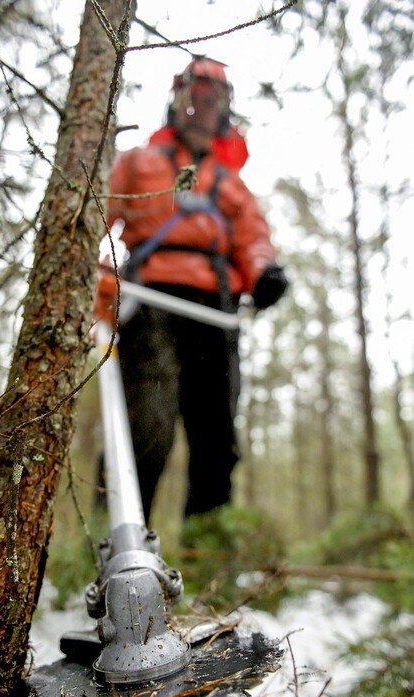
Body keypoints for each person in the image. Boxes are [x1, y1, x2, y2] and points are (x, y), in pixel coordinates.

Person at [98, 57, 287, 524]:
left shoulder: (232, 184)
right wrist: (95, 278)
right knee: (147, 424)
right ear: (177, 103)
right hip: (150, 301)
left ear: (224, 112)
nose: (201, 110)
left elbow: (253, 238)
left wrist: (264, 273)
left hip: (216, 310)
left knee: (216, 436)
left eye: (211, 102)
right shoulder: (137, 163)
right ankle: (115, 536)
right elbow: (95, 213)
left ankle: (209, 544)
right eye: (193, 100)